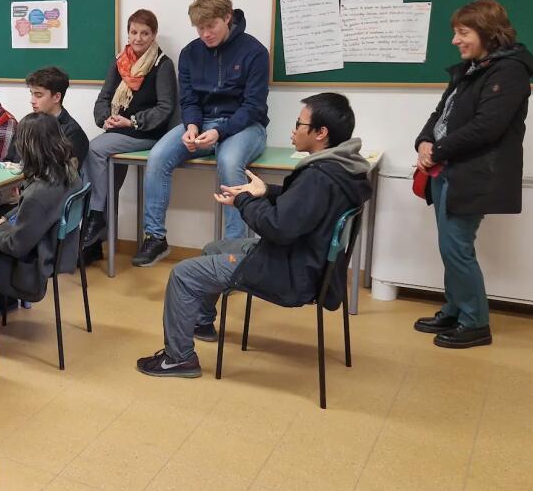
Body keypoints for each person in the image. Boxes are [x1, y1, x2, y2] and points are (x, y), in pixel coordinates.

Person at [136, 93, 371, 378]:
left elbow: (277, 227)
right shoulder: (343, 168)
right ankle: (201, 323)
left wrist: (244, 202)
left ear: (321, 133)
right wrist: (265, 192)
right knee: (214, 247)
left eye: (299, 124)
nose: (293, 130)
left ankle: (178, 358)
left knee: (183, 273)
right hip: (310, 262)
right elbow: (302, 206)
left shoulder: (318, 177)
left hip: (288, 270)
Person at [413, 0, 533, 349]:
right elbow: (442, 113)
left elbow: (487, 127)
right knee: (448, 245)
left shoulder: (508, 72)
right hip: (446, 169)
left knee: (457, 248)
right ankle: (454, 308)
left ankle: (475, 322)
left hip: (473, 174)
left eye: (463, 32)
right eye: (456, 32)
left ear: (488, 33)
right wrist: (424, 141)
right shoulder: (470, 69)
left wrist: (437, 150)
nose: (455, 40)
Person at [132, 0, 269, 268]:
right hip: (202, 123)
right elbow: (189, 100)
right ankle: (155, 237)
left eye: (211, 26)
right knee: (157, 157)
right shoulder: (190, 53)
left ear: (227, 18)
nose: (206, 34)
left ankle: (235, 250)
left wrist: (220, 133)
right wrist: (192, 126)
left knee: (229, 162)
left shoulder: (254, 52)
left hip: (246, 126)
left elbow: (253, 106)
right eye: (200, 28)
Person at [81, 9, 179, 247]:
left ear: (153, 35)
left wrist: (132, 121)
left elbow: (165, 108)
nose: (138, 38)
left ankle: (95, 217)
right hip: (118, 131)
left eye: (144, 33)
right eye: (133, 32)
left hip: (147, 133)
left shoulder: (162, 65)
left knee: (93, 149)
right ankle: (93, 242)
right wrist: (105, 119)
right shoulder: (120, 62)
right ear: (128, 33)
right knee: (104, 179)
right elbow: (103, 98)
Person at [0, 112, 85, 303]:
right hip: (63, 249)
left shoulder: (39, 193)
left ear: (26, 147)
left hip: (38, 258)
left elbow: (16, 246)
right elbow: (36, 209)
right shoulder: (69, 172)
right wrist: (7, 218)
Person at [24, 66, 89, 165]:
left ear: (56, 97)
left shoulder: (73, 133)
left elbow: (62, 173)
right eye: (31, 94)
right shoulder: (27, 125)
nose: (32, 101)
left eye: (38, 95)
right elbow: (13, 160)